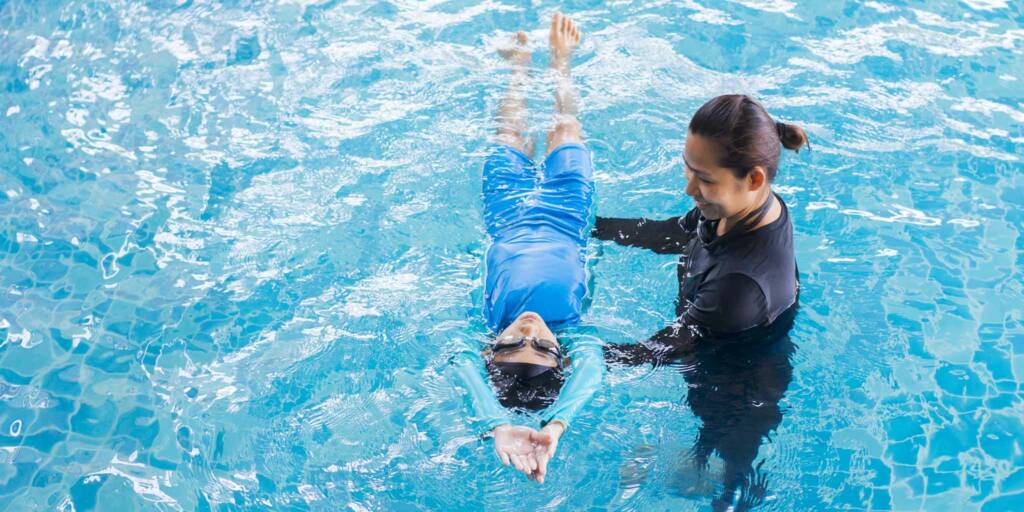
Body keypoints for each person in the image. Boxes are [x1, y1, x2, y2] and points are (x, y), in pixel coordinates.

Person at [595, 94, 807, 509]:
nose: (689, 188)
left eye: (704, 179)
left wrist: (574, 360)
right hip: (719, 343)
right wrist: (587, 228)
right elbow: (672, 233)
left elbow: (663, 348)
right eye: (688, 170)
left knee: (731, 480)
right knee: (697, 461)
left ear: (755, 179)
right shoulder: (736, 208)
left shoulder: (741, 286)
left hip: (739, 391)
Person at [450, 13, 603, 485]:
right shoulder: (575, 331)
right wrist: (558, 422)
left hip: (506, 216)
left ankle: (518, 67)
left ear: (491, 349)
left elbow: (462, 367)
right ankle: (561, 62)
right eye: (541, 346)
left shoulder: (485, 325)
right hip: (568, 214)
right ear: (563, 355)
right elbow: (593, 372)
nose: (529, 329)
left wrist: (496, 423)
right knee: (564, 130)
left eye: (514, 342)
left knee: (510, 137)